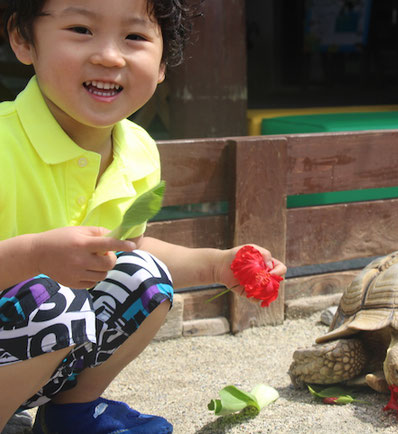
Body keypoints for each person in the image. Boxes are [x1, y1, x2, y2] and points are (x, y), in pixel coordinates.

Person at [0, 0, 287, 433]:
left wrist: (218, 264)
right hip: (32, 329)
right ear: (23, 39)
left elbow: (126, 249)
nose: (109, 56)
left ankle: (73, 415)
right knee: (51, 300)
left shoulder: (139, 152)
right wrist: (36, 255)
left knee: (145, 277)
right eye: (81, 29)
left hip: (42, 354)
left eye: (134, 37)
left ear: (162, 65)